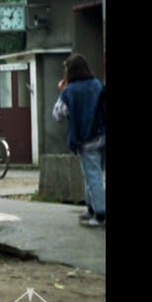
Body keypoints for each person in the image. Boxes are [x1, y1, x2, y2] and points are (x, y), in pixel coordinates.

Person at [52, 53, 105, 227]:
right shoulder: (97, 85)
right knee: (91, 175)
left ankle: (99, 214)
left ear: (71, 71)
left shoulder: (70, 91)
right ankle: (91, 208)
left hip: (84, 139)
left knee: (92, 176)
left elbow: (58, 114)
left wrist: (62, 92)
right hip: (100, 135)